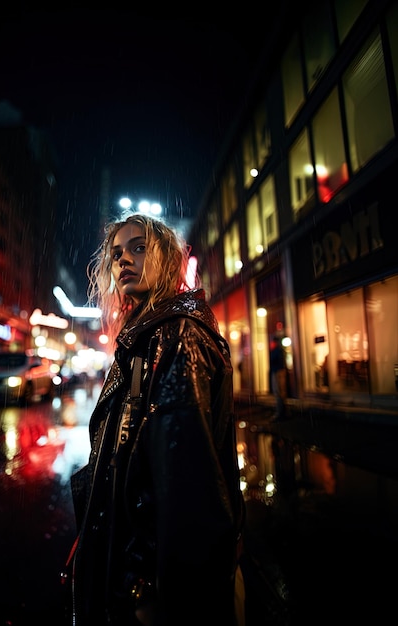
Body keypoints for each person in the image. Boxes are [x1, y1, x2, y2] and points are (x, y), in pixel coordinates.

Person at [66, 213, 245, 626]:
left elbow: (187, 486)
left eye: (138, 247)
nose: (123, 259)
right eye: (116, 253)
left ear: (167, 259)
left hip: (153, 592)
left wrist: (154, 590)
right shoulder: (145, 335)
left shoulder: (176, 334)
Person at [269, 335, 287, 420]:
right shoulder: (281, 350)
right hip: (279, 371)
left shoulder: (276, 351)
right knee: (281, 392)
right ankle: (283, 412)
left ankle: (280, 413)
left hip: (277, 372)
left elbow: (273, 360)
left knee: (278, 392)